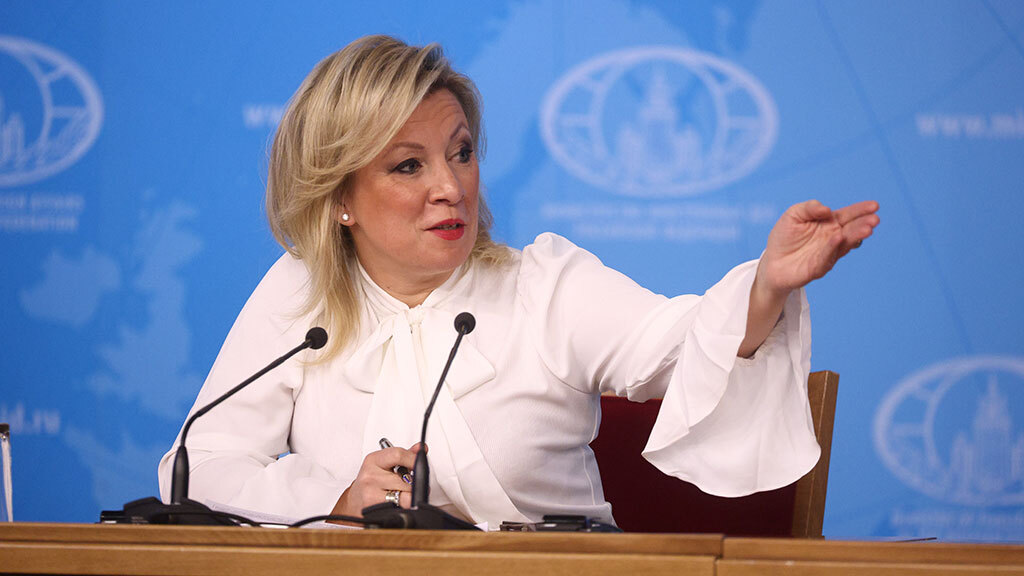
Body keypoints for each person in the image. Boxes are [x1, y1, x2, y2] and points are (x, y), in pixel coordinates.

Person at [157, 35, 879, 527]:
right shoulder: (303, 292)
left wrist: (766, 287)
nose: (451, 187)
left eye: (461, 152)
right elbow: (200, 467)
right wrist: (336, 503)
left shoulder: (543, 285)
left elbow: (683, 345)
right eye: (408, 165)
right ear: (340, 196)